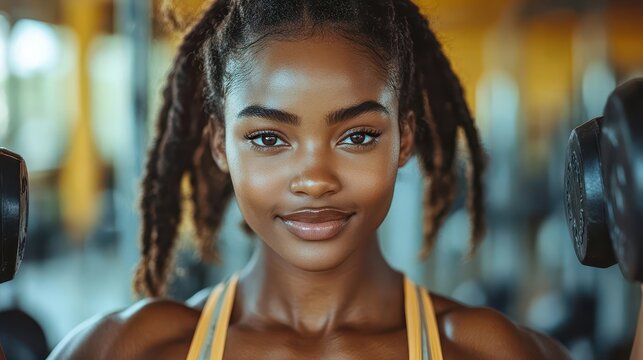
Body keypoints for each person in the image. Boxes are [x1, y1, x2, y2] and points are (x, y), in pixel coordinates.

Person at [47, 0, 640, 358]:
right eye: (269, 138)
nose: (314, 179)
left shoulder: (486, 351)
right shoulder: (129, 351)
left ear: (403, 139)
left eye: (356, 135)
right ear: (219, 147)